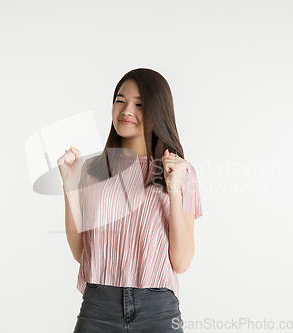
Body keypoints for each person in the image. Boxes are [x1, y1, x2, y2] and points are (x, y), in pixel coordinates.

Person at [57, 68, 203, 332]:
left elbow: (181, 262)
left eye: (139, 104)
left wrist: (173, 188)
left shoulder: (180, 172)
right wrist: (70, 185)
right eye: (120, 100)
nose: (126, 110)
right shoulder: (92, 170)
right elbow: (81, 253)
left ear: (158, 111)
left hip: (157, 310)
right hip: (97, 307)